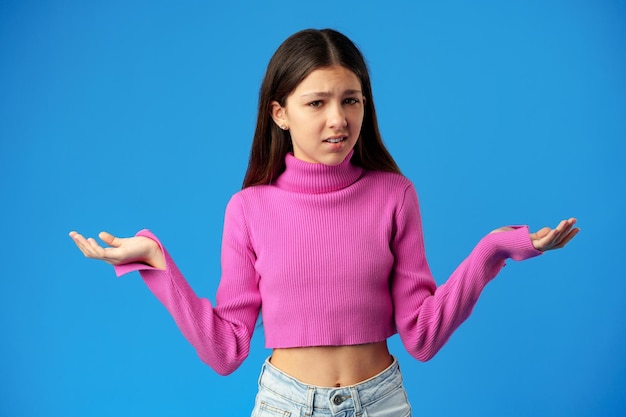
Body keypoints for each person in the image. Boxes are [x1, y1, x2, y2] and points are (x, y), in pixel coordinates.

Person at [69, 28, 579, 417]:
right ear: (280, 113)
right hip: (284, 405)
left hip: (382, 401)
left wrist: (492, 251)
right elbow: (226, 351)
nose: (338, 119)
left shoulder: (394, 195)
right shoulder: (248, 208)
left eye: (350, 100)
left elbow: (421, 336)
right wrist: (156, 264)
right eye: (317, 103)